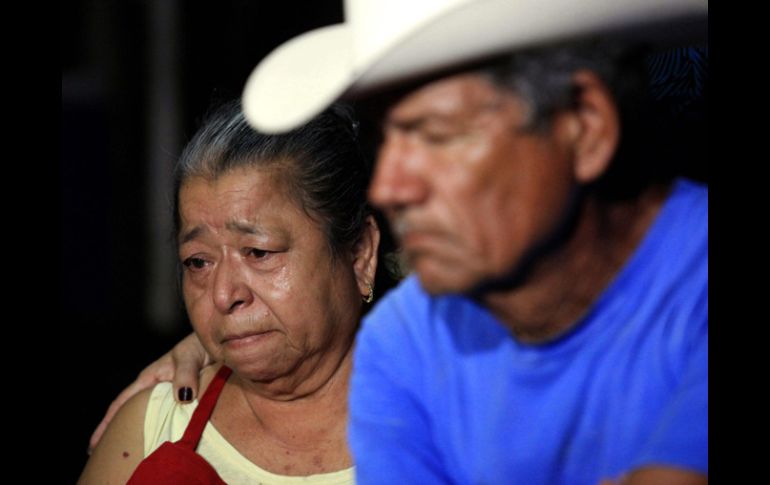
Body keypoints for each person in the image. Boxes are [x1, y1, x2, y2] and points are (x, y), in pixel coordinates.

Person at [90, 0, 708, 483]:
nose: (391, 184)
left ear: (584, 127)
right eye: (388, 141)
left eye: (435, 134)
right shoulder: (406, 347)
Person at [79, 100, 399, 484]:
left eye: (259, 252)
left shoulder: (459, 423)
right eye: (198, 262)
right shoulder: (156, 426)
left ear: (360, 253)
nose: (223, 294)